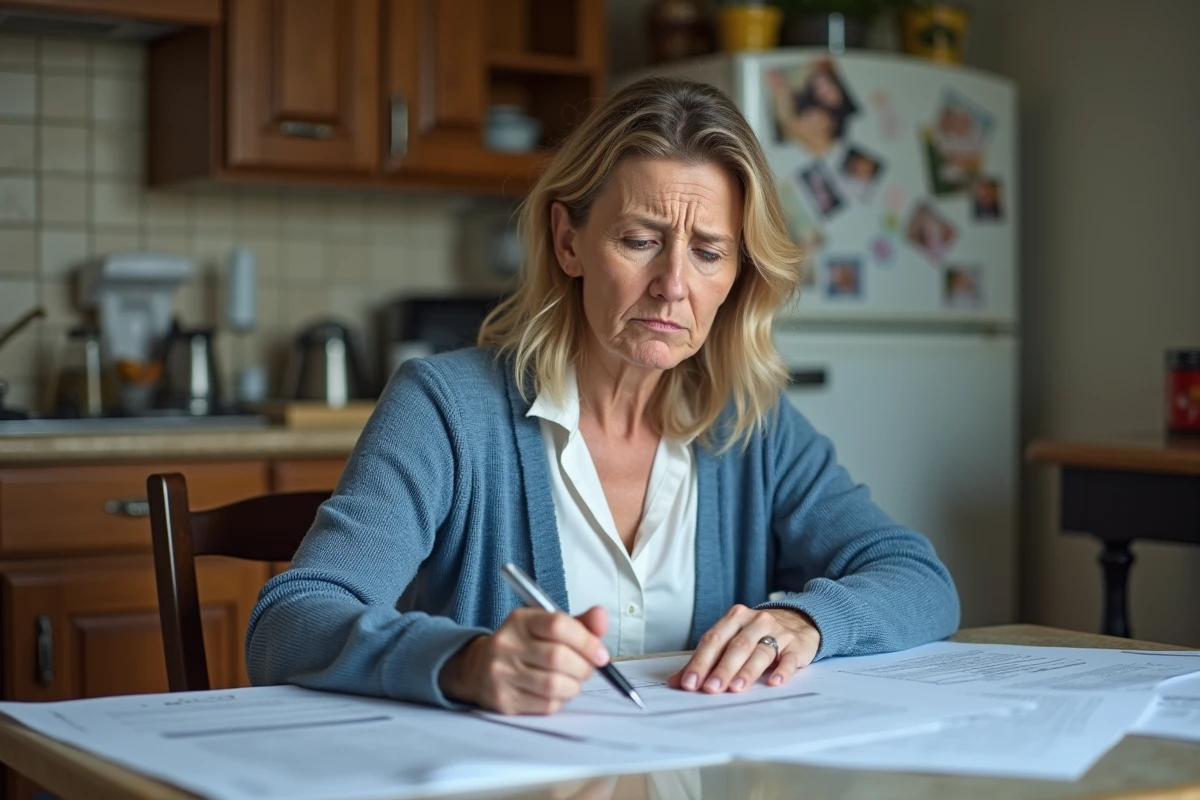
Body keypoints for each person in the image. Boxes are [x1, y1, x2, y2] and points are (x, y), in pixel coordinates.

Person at [245, 77, 960, 716]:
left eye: (708, 252)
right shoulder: (447, 409)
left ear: (738, 274)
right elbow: (290, 622)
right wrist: (463, 662)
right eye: (640, 239)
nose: (673, 285)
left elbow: (922, 581)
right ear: (568, 242)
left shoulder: (753, 427)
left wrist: (810, 623)